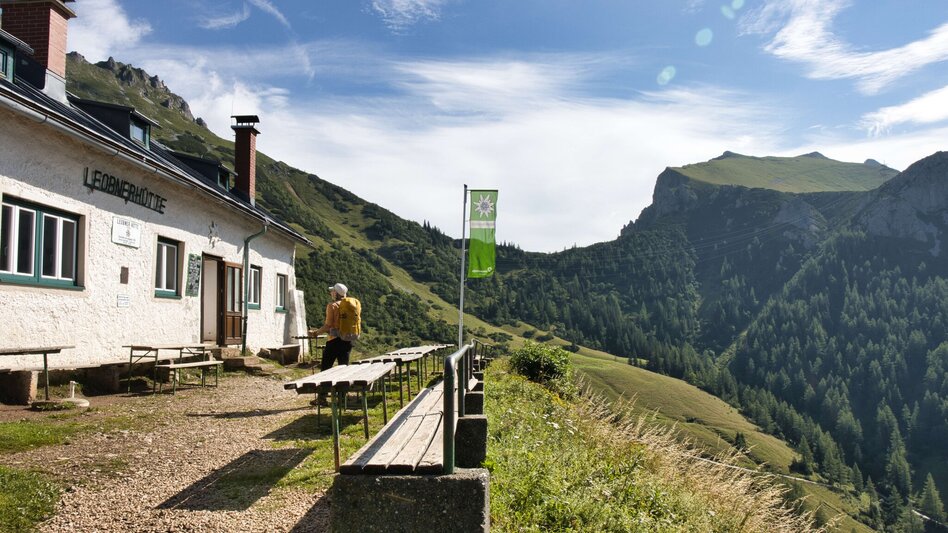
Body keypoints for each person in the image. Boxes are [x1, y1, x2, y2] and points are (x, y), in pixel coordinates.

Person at [312, 283, 354, 405]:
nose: (331, 293)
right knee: (344, 369)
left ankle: (322, 398)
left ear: (336, 293)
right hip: (347, 341)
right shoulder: (351, 305)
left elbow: (328, 325)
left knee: (326, 369)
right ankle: (342, 398)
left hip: (334, 341)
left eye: (332, 291)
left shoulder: (332, 306)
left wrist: (316, 333)